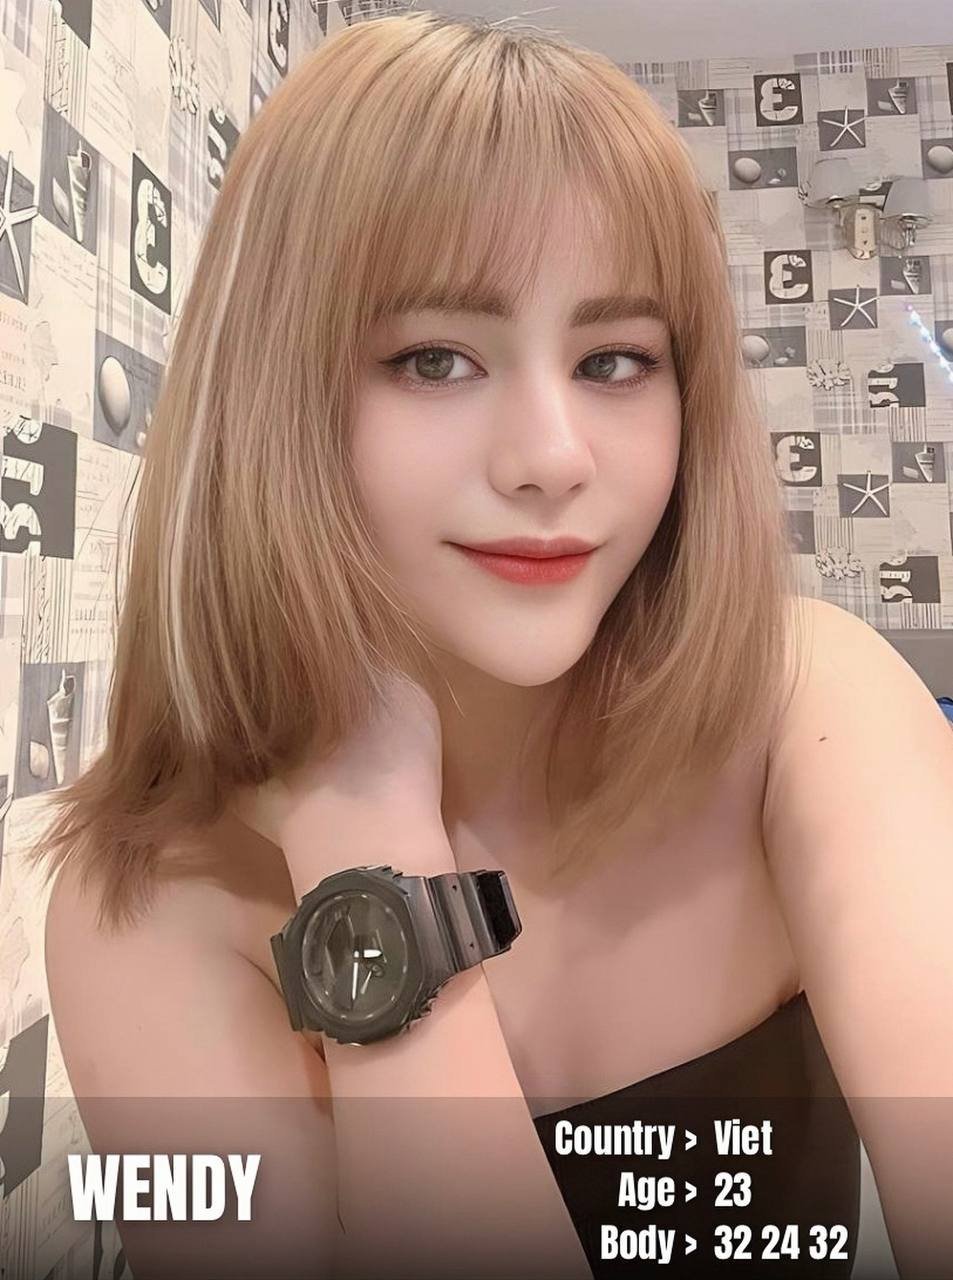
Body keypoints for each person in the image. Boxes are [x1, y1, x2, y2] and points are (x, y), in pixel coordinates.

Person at [28, 10, 953, 1280]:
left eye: (614, 360)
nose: (551, 458)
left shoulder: (807, 707)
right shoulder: (148, 899)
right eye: (434, 358)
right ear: (271, 392)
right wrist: (367, 841)